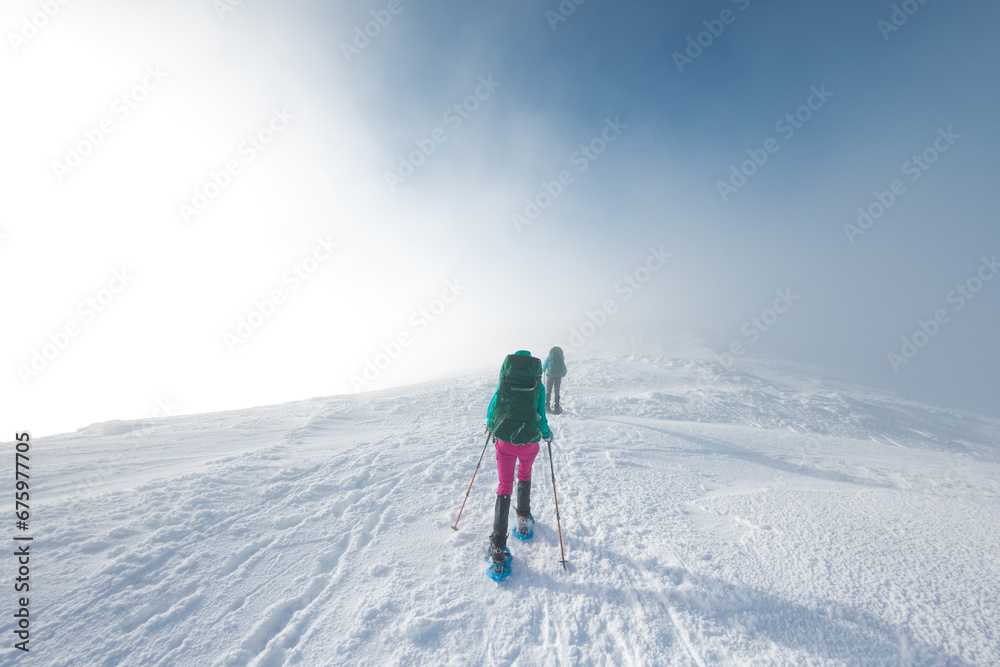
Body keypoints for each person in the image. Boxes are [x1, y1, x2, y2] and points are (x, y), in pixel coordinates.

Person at [485, 350, 553, 576]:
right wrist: (547, 434)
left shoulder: (505, 382)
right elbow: (540, 415)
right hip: (529, 444)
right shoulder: (539, 387)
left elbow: (492, 409)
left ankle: (497, 548)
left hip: (505, 443)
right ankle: (523, 522)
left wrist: (491, 425)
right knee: (524, 474)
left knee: (504, 485)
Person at [542, 346, 567, 414]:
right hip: (558, 377)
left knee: (548, 391)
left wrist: (544, 370)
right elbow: (564, 369)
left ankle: (547, 406)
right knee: (557, 391)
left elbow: (544, 367)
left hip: (550, 376)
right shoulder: (560, 359)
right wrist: (563, 373)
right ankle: (557, 407)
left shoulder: (549, 358)